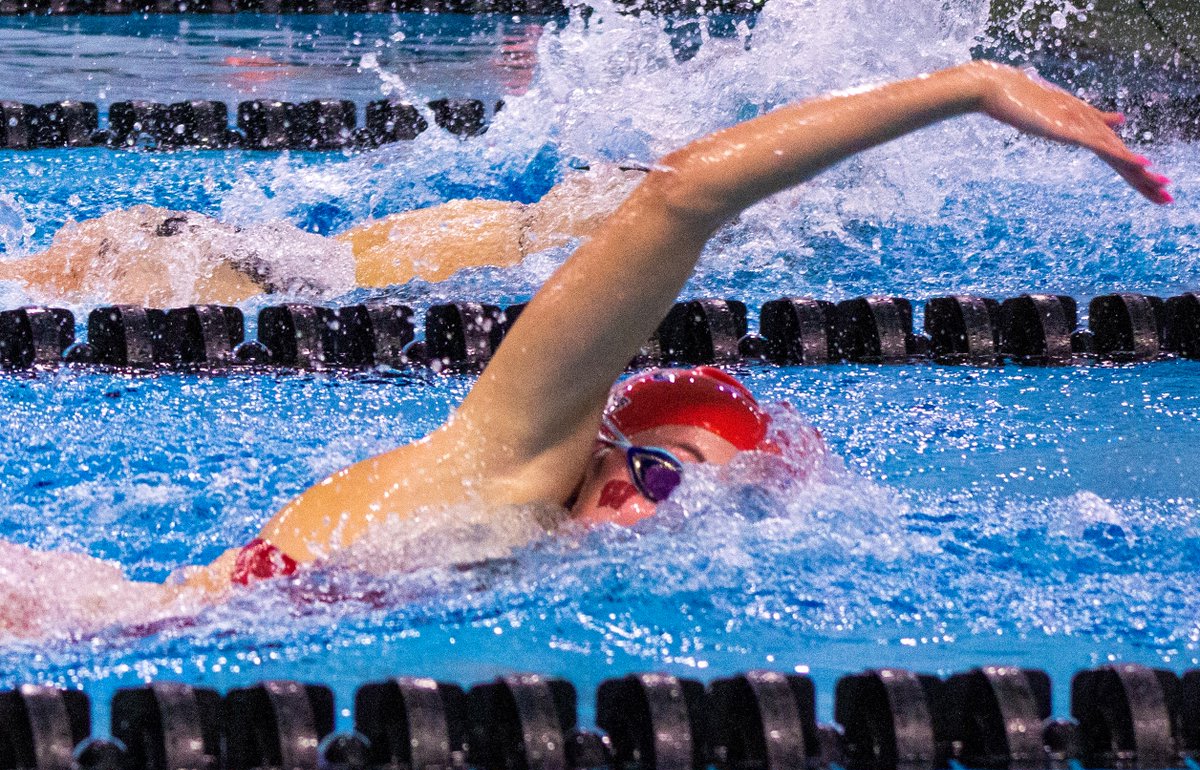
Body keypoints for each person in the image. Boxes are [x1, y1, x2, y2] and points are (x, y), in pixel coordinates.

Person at [171, 60, 1171, 592]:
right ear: (607, 437)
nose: (650, 509)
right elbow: (682, 196)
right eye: (661, 469)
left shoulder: (514, 545)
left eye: (689, 503)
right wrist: (968, 86)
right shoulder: (509, 461)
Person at [0, 164, 643, 306]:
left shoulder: (81, 275)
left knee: (536, 233)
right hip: (239, 252)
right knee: (534, 229)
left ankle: (642, 198)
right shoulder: (70, 257)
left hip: (213, 263)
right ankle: (633, 193)